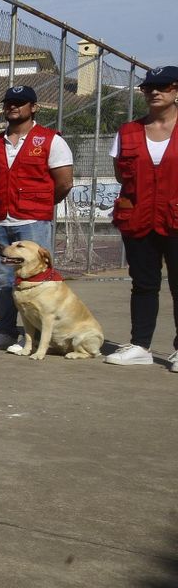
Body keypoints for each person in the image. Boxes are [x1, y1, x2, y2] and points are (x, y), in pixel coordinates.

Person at [0, 84, 74, 352]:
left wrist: (39, 205)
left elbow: (63, 183)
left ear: (34, 107)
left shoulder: (51, 140)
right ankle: (6, 331)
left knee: (38, 278)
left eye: (20, 102)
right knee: (3, 280)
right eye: (8, 102)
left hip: (33, 222)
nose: (13, 107)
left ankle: (35, 337)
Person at [104, 65, 178, 369]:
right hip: (138, 218)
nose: (155, 92)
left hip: (175, 218)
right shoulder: (128, 131)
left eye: (163, 86)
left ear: (176, 90)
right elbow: (121, 173)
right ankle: (141, 346)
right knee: (144, 283)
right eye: (149, 88)